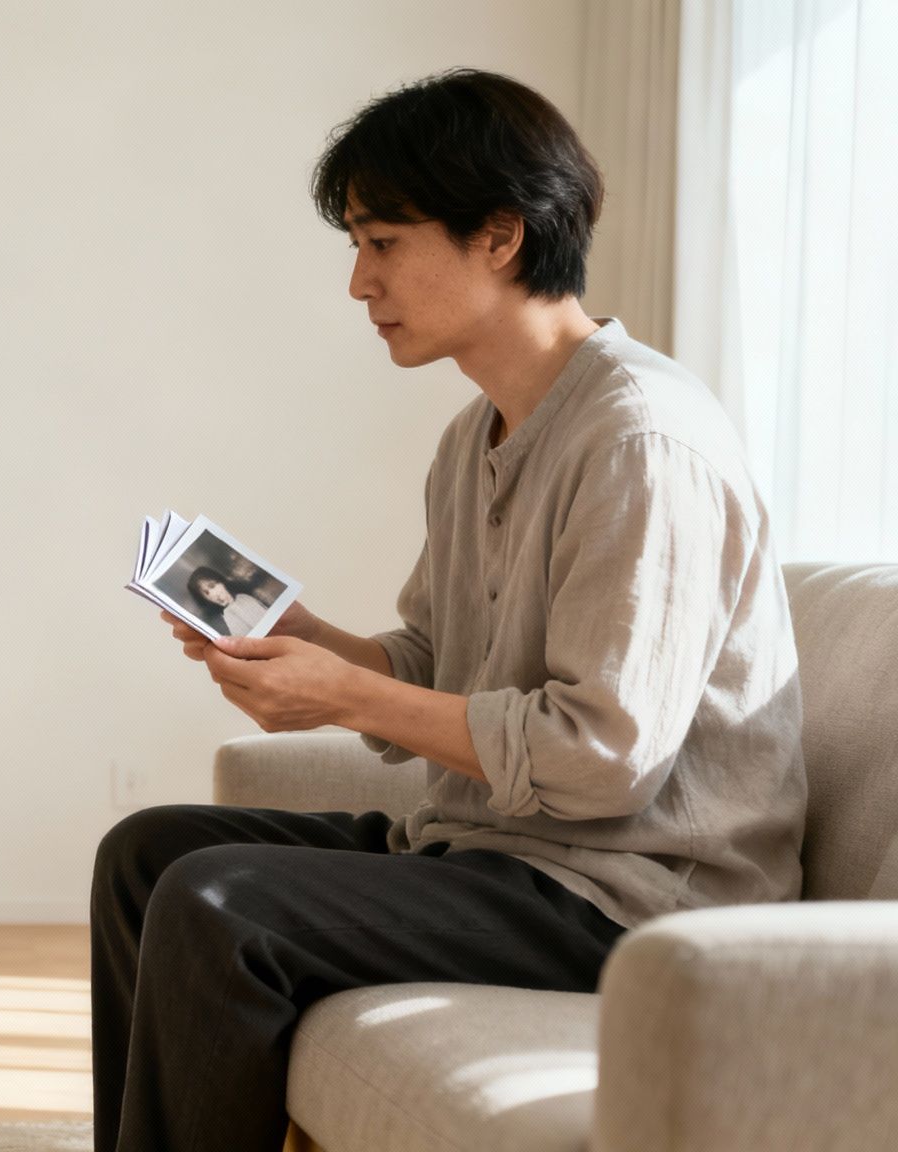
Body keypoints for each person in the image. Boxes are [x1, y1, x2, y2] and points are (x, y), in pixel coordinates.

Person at [90, 69, 805, 1152]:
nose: (356, 283)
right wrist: (308, 647)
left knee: (216, 902)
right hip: (501, 853)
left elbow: (603, 756)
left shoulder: (640, 440)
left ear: (498, 238)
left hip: (635, 899)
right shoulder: (475, 437)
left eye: (379, 242)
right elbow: (431, 659)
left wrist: (344, 695)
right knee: (145, 854)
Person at [185, 565, 268, 637]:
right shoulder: (221, 621)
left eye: (212, 586)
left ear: (221, 582)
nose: (212, 595)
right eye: (206, 593)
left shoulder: (244, 597)